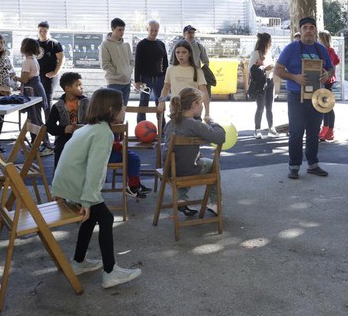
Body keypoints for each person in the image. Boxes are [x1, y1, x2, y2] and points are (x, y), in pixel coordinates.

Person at [51, 88, 142, 289]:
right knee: (107, 218)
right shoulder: (103, 133)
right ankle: (110, 272)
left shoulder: (89, 127)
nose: (124, 109)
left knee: (93, 217)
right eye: (121, 106)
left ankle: (79, 262)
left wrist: (86, 200)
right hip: (76, 186)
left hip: (66, 185)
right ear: (111, 109)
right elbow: (95, 170)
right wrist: (87, 200)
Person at [47, 72, 150, 198]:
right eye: (78, 85)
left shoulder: (87, 105)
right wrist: (64, 129)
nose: (81, 87)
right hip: (68, 142)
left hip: (84, 155)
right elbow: (50, 127)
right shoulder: (59, 107)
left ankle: (132, 186)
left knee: (129, 156)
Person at [274, 17, 334, 180]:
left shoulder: (321, 49)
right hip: (296, 96)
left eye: (311, 28)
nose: (308, 30)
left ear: (315, 31)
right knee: (296, 132)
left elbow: (331, 68)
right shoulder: (291, 48)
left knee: (314, 132)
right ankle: (294, 166)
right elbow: (278, 70)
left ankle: (313, 165)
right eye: (305, 28)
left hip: (317, 97)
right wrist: (295, 77)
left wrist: (327, 74)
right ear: (300, 31)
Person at [164, 87, 225, 216]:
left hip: (169, 169)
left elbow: (178, 150)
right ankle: (215, 203)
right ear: (194, 105)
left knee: (185, 162)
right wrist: (213, 122)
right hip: (189, 170)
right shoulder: (194, 125)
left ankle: (181, 198)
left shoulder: (170, 123)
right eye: (201, 103)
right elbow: (220, 137)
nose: (202, 107)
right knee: (212, 164)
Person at [157, 40, 210, 119]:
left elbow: (204, 92)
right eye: (178, 52)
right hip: (176, 109)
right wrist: (161, 102)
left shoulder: (198, 71)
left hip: (193, 110)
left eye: (184, 52)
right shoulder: (171, 69)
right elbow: (166, 88)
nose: (180, 55)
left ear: (189, 54)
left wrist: (207, 112)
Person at [18, 38, 52, 155]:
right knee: (34, 118)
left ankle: (46, 144)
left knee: (36, 119)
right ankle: (35, 144)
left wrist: (13, 77)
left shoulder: (28, 61)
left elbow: (25, 79)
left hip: (32, 91)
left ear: (24, 48)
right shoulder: (34, 59)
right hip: (37, 88)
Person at [134, 19, 168, 122]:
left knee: (160, 102)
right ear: (147, 29)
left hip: (160, 79)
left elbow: (165, 63)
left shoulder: (161, 44)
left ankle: (162, 129)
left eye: (156, 30)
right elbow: (137, 63)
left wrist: (167, 79)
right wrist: (137, 80)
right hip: (145, 79)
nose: (154, 33)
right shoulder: (141, 45)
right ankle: (141, 126)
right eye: (151, 30)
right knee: (143, 102)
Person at [249, 32, 276, 139]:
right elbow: (251, 70)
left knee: (269, 107)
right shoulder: (256, 53)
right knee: (260, 107)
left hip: (270, 81)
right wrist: (265, 68)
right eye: (270, 41)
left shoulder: (268, 53)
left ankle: (271, 128)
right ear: (266, 42)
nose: (271, 43)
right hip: (260, 84)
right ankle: (257, 129)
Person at [100, 18, 133, 105]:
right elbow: (105, 64)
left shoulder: (126, 45)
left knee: (123, 110)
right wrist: (118, 72)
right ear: (112, 29)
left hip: (127, 82)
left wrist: (129, 71)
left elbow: (132, 61)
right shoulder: (105, 44)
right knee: (113, 111)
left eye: (123, 30)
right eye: (119, 30)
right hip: (114, 83)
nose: (122, 32)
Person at [317, 30, 341, 142]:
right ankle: (325, 128)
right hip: (322, 80)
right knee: (323, 106)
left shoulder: (329, 51)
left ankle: (329, 130)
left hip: (327, 81)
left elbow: (330, 65)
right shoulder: (323, 50)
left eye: (319, 38)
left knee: (327, 107)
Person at [37, 21, 65, 116]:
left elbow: (61, 59)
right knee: (36, 99)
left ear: (48, 31)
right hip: (37, 76)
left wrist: (55, 72)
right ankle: (38, 125)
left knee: (47, 99)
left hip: (50, 75)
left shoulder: (54, 44)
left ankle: (48, 125)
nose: (42, 33)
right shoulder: (35, 43)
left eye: (45, 31)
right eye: (40, 31)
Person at [182, 25, 214, 97]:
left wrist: (201, 72)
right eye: (189, 32)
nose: (191, 35)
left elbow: (205, 61)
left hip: (195, 77)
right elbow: (172, 61)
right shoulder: (178, 46)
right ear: (184, 34)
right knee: (183, 96)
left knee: (194, 97)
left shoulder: (199, 46)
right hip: (182, 76)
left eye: (193, 33)